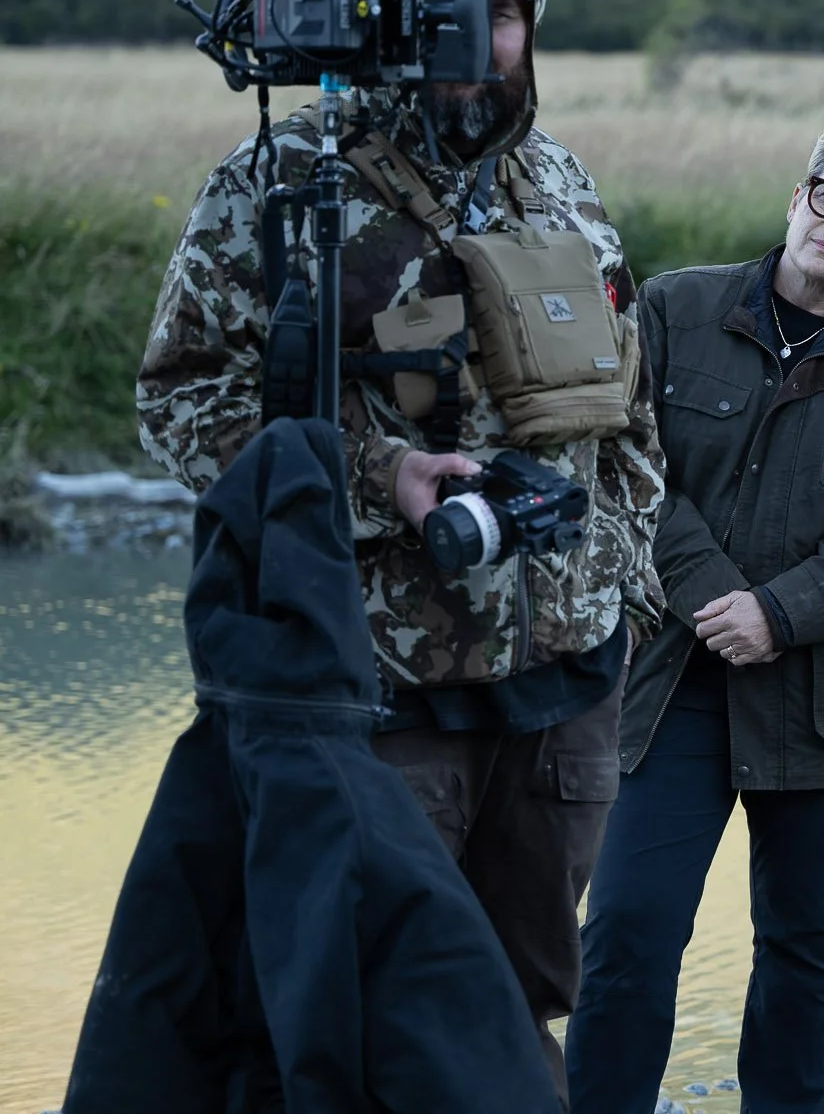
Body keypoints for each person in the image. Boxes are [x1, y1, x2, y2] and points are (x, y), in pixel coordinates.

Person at [136, 0, 665, 1104]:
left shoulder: (566, 187)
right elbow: (179, 400)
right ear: (391, 7)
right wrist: (380, 480)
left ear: (534, 26)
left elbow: (633, 415)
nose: (472, 35)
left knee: (522, 1003)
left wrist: (621, 581)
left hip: (565, 695)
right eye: (444, 1)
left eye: (504, 11)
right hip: (386, 691)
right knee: (368, 1005)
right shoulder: (285, 180)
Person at [567, 112, 824, 1114]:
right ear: (797, 197)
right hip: (677, 682)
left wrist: (778, 616)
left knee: (805, 947)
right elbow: (626, 464)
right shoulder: (673, 311)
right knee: (626, 930)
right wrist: (716, 601)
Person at [67, 417, 556, 1113]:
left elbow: (130, 1043)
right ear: (341, 614)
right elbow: (480, 1072)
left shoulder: (191, 789)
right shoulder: (375, 829)